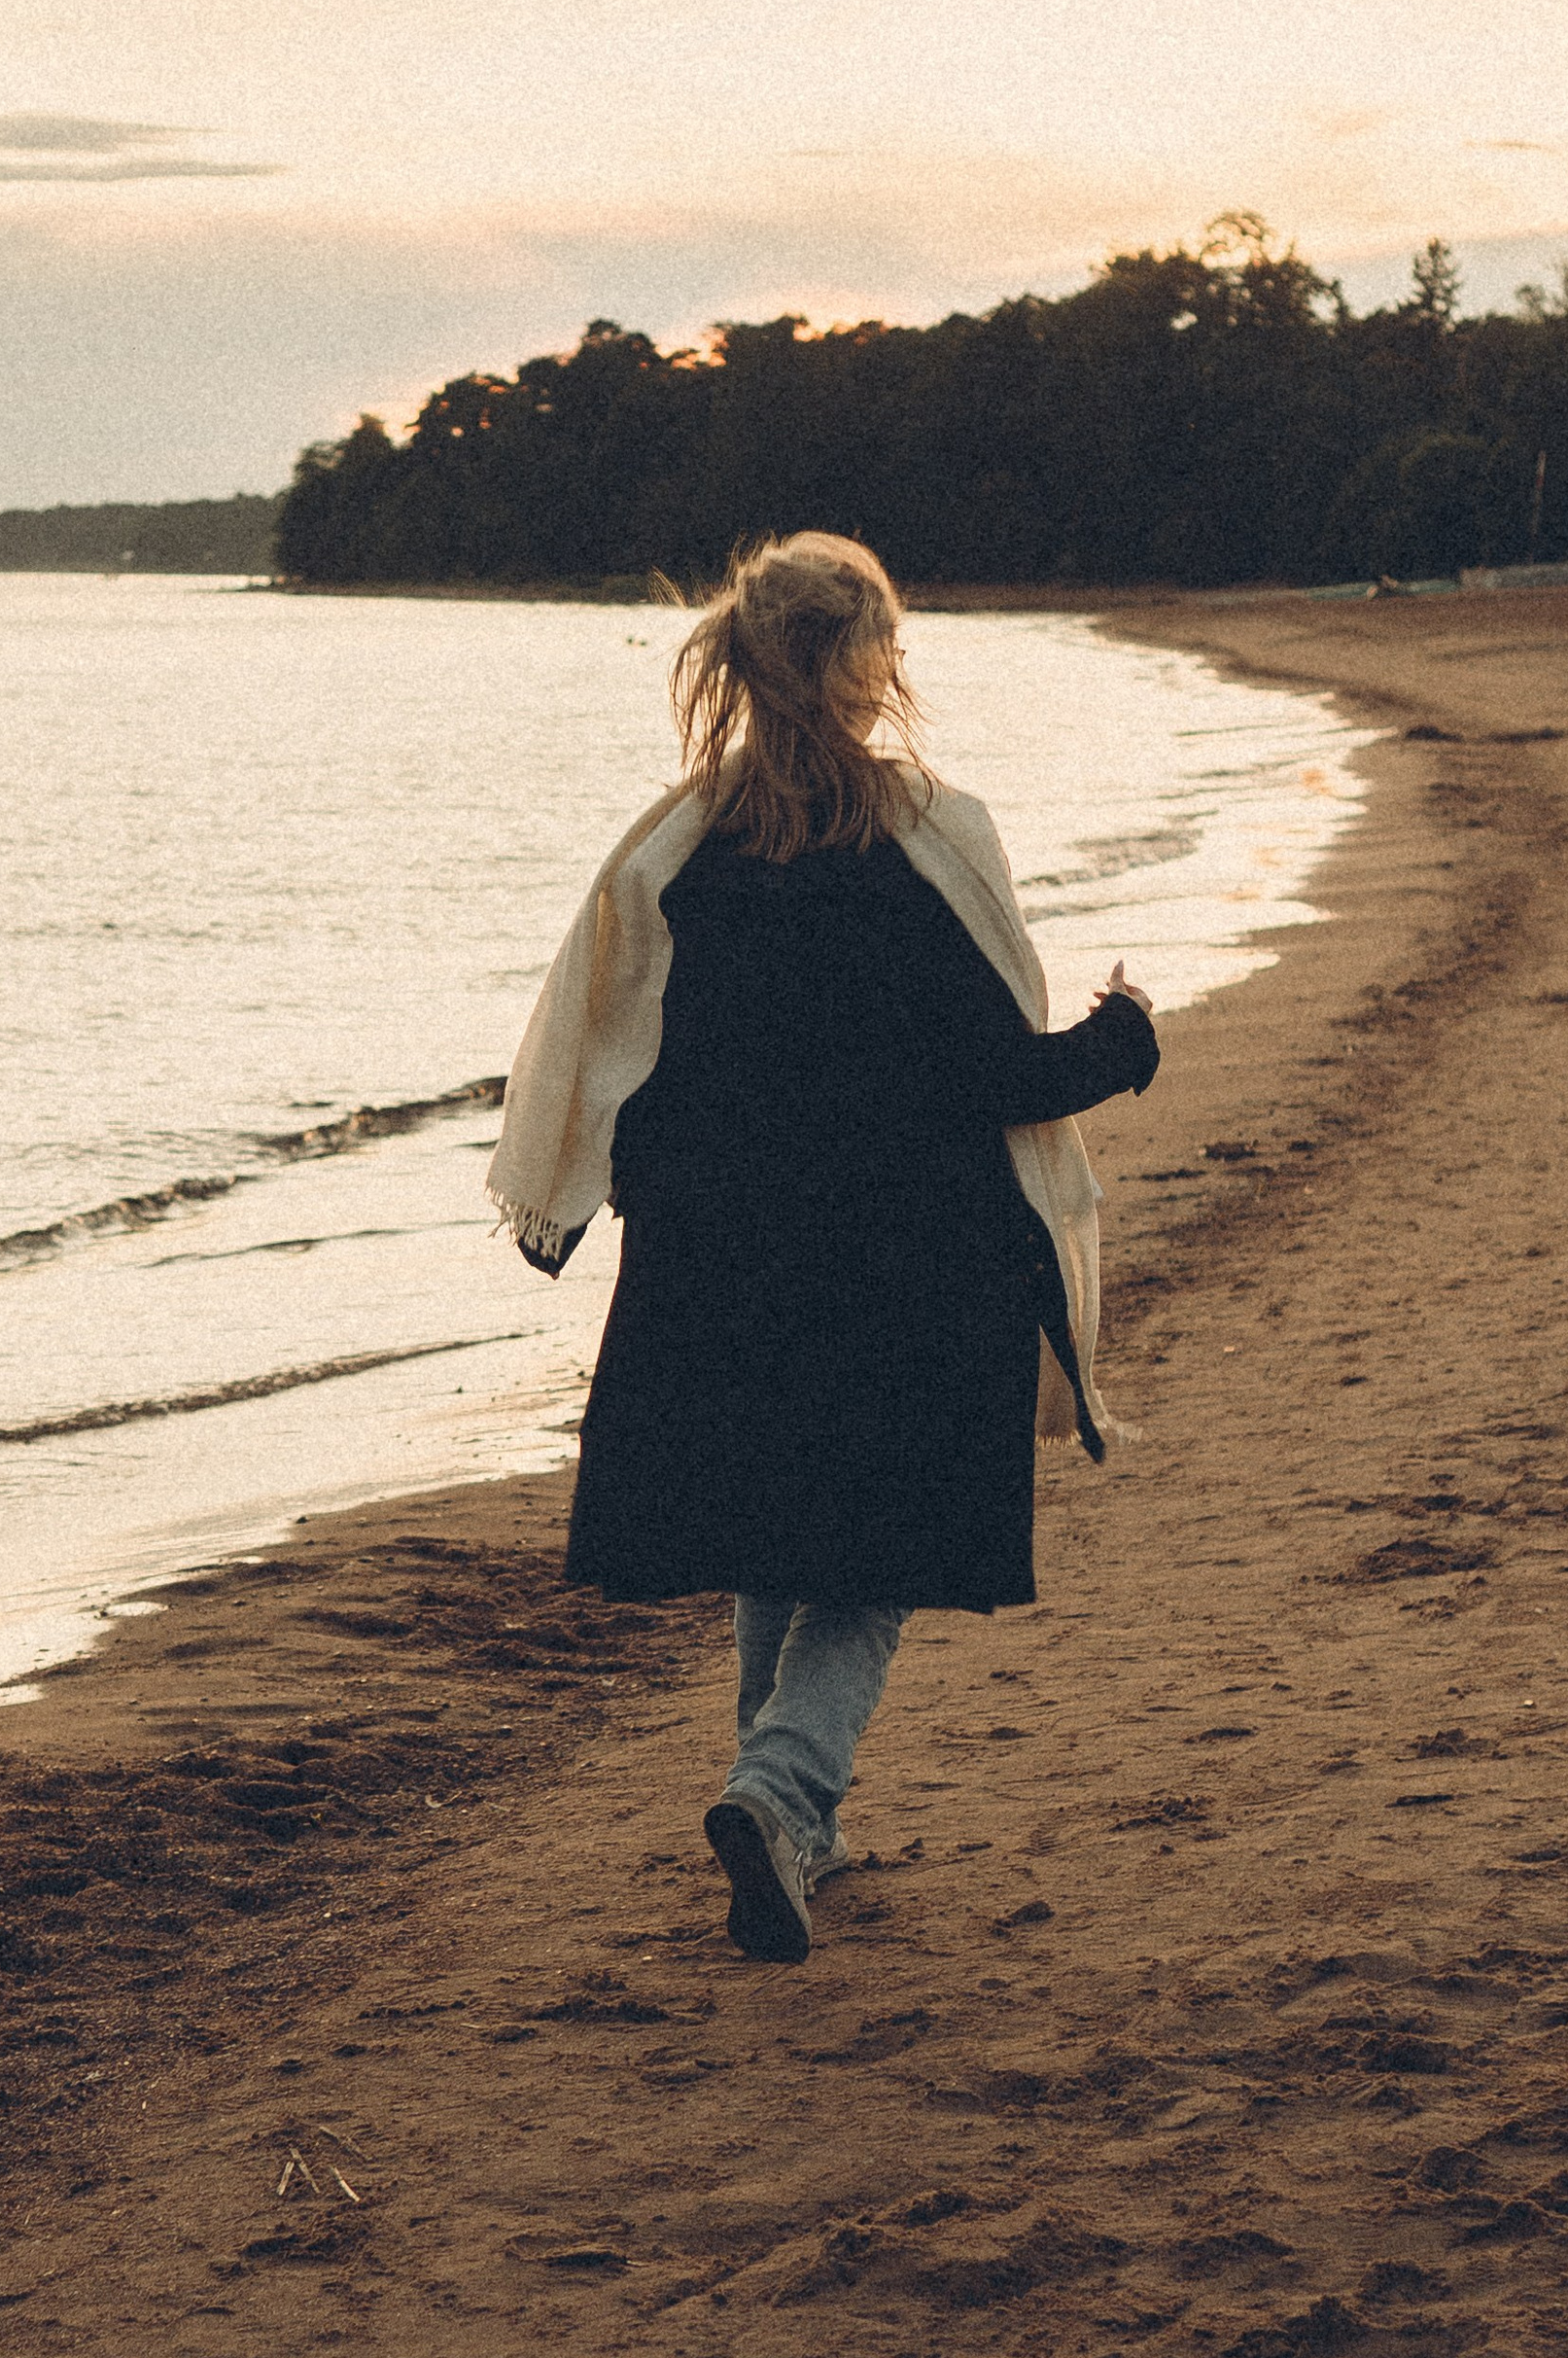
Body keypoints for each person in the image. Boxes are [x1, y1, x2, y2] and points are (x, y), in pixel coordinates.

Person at [486, 532, 1159, 1967]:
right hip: (908, 1261)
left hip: (722, 1263)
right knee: (874, 1552)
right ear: (868, 666)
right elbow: (994, 1080)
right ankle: (782, 1789)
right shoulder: (925, 847)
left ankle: (795, 1824)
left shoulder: (682, 865)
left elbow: (627, 1074)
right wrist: (1121, 1045)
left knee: (781, 1529)